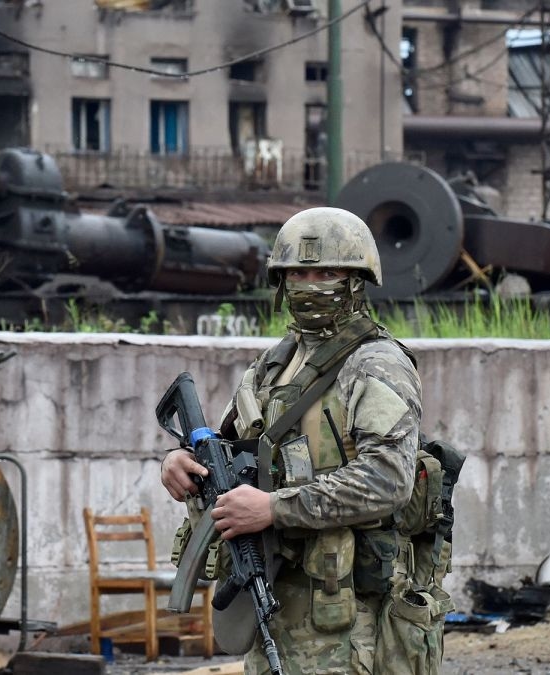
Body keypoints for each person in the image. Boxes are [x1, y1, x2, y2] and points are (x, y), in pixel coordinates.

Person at [161, 207, 447, 674]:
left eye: (328, 271)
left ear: (357, 281)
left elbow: (387, 479)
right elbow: (227, 451)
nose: (311, 283)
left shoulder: (376, 363)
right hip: (272, 601)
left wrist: (274, 508)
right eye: (298, 271)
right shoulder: (272, 365)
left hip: (346, 614)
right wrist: (180, 461)